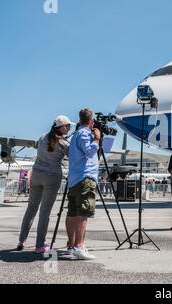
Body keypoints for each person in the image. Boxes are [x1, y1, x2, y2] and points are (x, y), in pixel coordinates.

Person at [17, 115, 73, 253]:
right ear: (62, 127)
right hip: (52, 177)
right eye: (68, 126)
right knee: (44, 212)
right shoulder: (63, 143)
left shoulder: (42, 137)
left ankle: (21, 240)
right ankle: (40, 244)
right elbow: (73, 156)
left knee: (31, 208)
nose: (69, 128)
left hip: (36, 175)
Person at [66, 109, 100, 260]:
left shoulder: (75, 135)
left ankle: (72, 245)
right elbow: (90, 152)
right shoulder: (85, 133)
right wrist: (97, 139)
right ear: (91, 121)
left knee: (72, 213)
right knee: (83, 213)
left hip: (74, 179)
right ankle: (79, 246)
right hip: (85, 177)